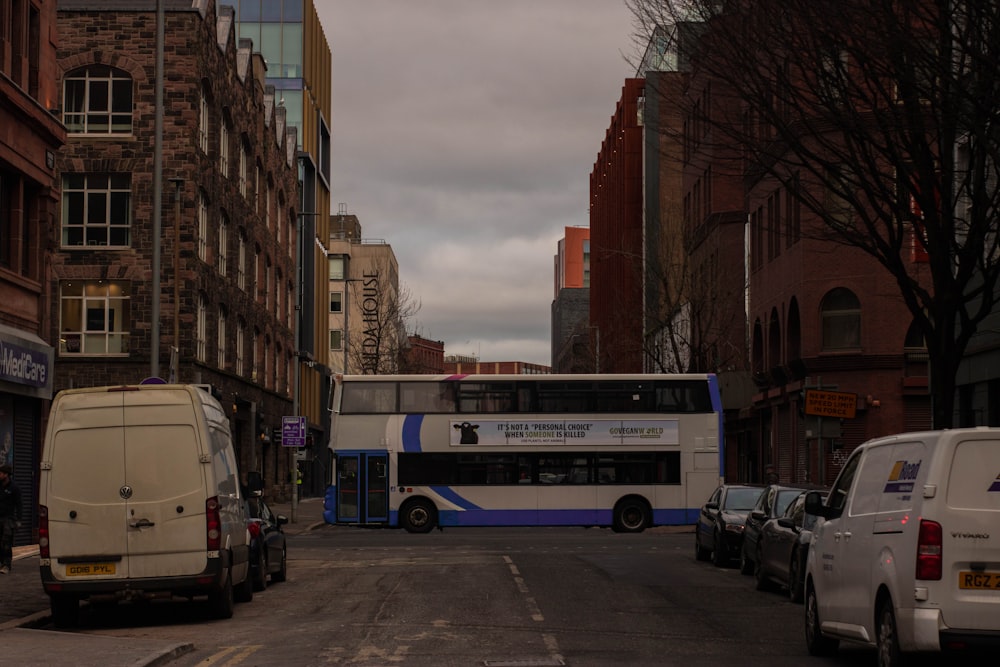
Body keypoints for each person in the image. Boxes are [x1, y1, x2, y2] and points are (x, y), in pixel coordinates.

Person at [0, 464, 23, 574]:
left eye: (1, 473)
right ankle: (1, 562)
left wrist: (19, 520)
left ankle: (6, 565)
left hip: (8, 519)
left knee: (7, 543)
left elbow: (19, 504)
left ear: (6, 474)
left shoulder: (14, 488)